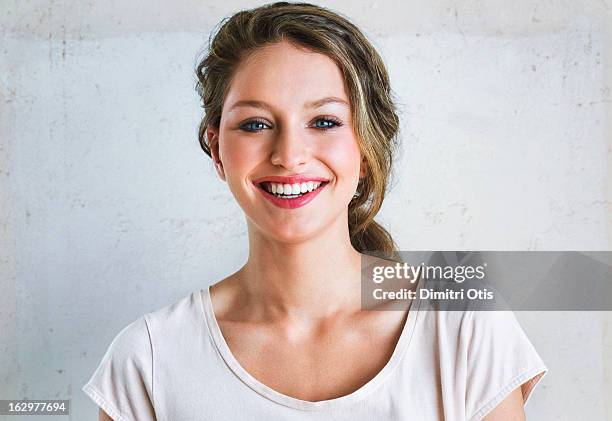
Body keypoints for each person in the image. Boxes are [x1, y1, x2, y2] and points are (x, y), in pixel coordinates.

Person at [82, 2, 547, 420]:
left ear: (366, 148)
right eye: (255, 124)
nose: (289, 154)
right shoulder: (147, 359)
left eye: (324, 121)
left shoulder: (463, 325)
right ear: (217, 150)